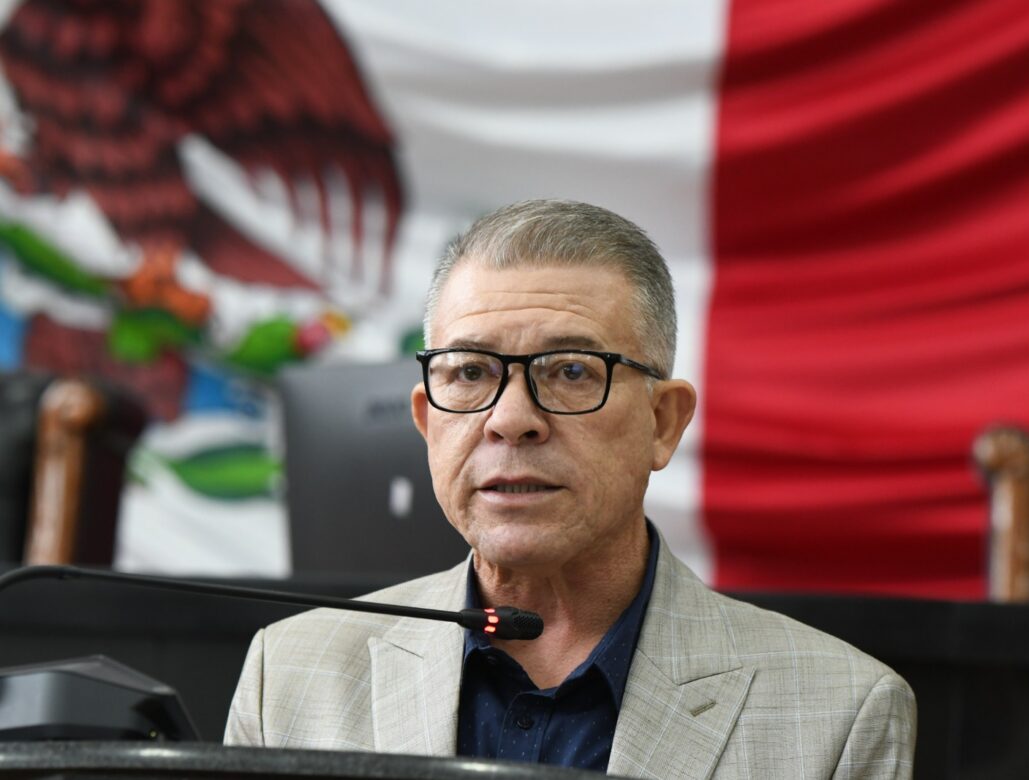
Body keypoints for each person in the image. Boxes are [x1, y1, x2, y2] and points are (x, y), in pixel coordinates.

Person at [224, 199, 917, 778]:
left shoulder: (840, 715)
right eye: (470, 372)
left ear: (662, 423)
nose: (510, 419)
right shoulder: (286, 677)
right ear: (427, 422)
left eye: (571, 371)